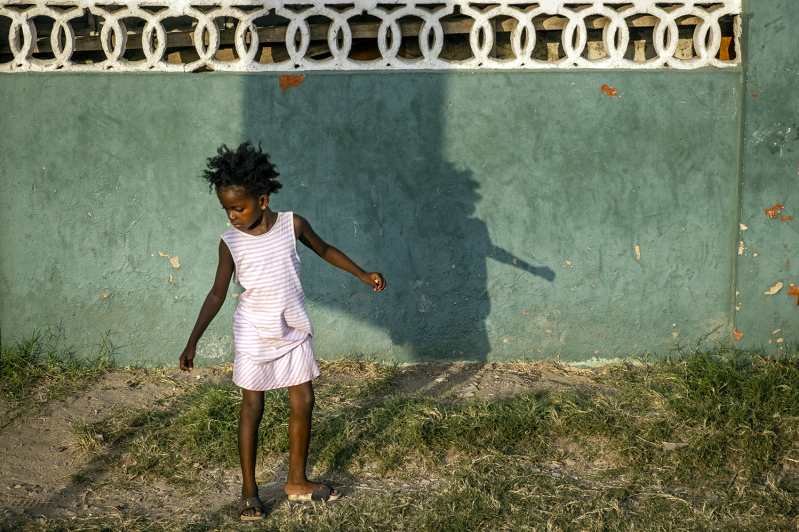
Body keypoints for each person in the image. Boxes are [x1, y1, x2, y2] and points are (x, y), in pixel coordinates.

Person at [179, 141, 387, 521]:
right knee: (252, 406)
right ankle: (249, 490)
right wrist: (193, 341)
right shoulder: (230, 242)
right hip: (254, 330)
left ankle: (296, 482)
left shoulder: (293, 225)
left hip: (291, 326)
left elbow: (324, 250)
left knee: (303, 400)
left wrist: (361, 273)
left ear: (262, 199)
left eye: (238, 208)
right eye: (226, 209)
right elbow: (216, 293)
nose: (232, 216)